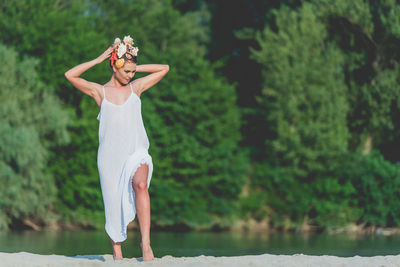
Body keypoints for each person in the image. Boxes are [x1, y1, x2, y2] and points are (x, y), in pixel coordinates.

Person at [64, 35, 169, 261]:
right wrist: (100, 57)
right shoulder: (99, 92)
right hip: (110, 158)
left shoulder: (136, 88)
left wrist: (133, 65)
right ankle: (117, 255)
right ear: (114, 66)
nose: (130, 76)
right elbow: (70, 75)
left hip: (135, 151)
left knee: (141, 184)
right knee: (112, 206)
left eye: (132, 72)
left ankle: (146, 244)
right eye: (126, 71)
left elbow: (164, 68)